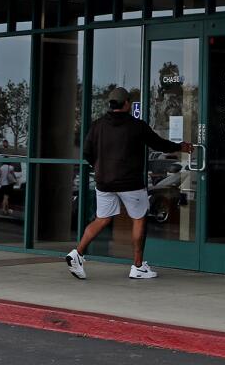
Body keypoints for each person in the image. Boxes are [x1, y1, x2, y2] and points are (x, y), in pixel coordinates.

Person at [66, 87, 192, 280]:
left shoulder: (97, 125)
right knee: (139, 218)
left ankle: (78, 253)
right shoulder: (136, 126)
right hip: (130, 183)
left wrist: (101, 167)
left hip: (104, 182)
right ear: (126, 104)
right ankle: (138, 266)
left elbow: (86, 153)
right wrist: (180, 146)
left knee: (102, 219)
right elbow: (159, 144)